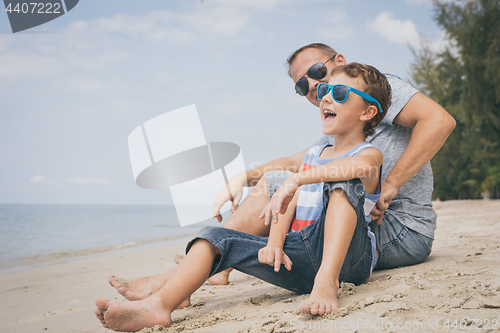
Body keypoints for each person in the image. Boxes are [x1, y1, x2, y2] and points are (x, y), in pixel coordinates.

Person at [106, 43, 455, 302]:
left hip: (399, 226)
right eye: (303, 86)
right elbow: (300, 160)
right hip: (356, 221)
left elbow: (440, 121)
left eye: (318, 73)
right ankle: (199, 274)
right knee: (279, 182)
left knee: (337, 181)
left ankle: (181, 277)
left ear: (339, 63)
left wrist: (391, 183)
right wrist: (244, 176)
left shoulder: (372, 90)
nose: (314, 87)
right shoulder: (335, 122)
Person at [95, 62, 392, 331]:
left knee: (342, 184)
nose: (326, 97)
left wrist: (298, 178)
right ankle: (160, 304)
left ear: (367, 112)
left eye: (339, 93)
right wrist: (275, 240)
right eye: (326, 90)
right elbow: (286, 196)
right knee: (214, 236)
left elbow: (360, 167)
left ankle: (326, 282)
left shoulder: (369, 154)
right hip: (299, 259)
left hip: (348, 263)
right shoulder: (315, 155)